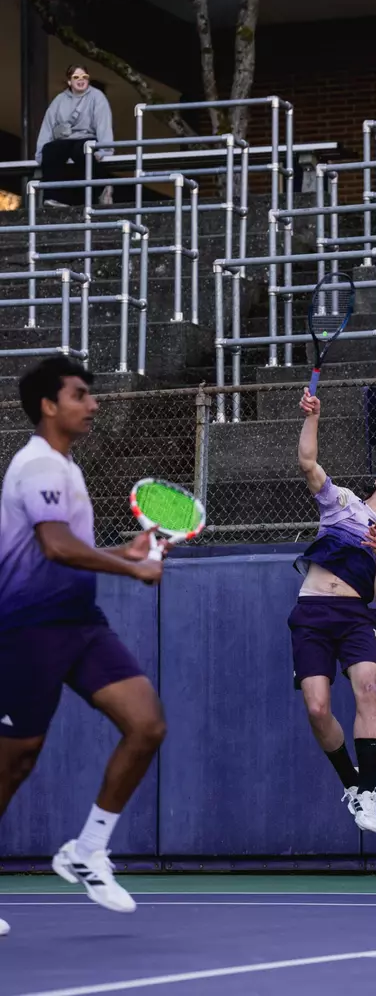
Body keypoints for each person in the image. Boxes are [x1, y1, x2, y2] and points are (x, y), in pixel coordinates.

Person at [0, 357, 166, 933]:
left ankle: (87, 850)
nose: (93, 404)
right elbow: (56, 547)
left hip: (81, 623)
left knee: (146, 725)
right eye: (79, 395)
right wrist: (134, 570)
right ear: (49, 406)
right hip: (28, 627)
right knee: (14, 762)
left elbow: (70, 549)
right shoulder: (38, 466)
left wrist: (123, 552)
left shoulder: (66, 467)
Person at [289, 390, 376, 835]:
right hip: (313, 613)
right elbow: (308, 463)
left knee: (368, 689)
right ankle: (351, 782)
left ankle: (370, 790)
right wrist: (313, 417)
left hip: (355, 618)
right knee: (317, 708)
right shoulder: (343, 503)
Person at [35, 65, 114, 207]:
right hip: (65, 140)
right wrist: (40, 152)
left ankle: (96, 192)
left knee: (81, 151)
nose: (80, 80)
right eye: (76, 77)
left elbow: (103, 124)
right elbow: (47, 126)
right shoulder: (59, 100)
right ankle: (53, 197)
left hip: (87, 137)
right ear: (69, 81)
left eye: (84, 77)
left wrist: (105, 150)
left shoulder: (97, 97)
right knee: (51, 150)